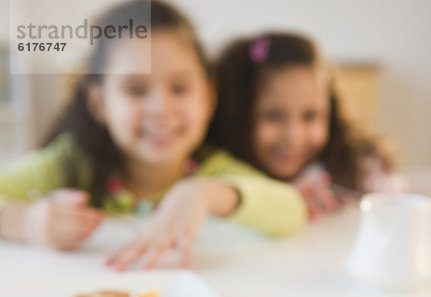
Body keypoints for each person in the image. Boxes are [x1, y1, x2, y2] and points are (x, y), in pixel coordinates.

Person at [0, 2, 306, 270]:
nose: (161, 109)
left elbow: (292, 209)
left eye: (179, 88)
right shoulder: (70, 165)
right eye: (136, 90)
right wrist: (25, 223)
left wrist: (208, 193)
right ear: (100, 103)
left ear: (208, 97)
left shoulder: (209, 170)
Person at [208, 33, 408, 220]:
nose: (294, 136)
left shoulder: (358, 167)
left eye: (310, 116)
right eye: (274, 116)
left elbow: (401, 211)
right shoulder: (219, 174)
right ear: (237, 116)